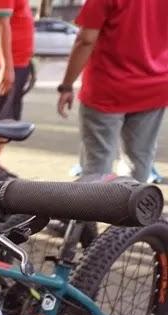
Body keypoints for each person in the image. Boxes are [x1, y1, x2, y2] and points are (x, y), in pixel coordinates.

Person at [57, 0, 168, 183]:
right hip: (154, 87)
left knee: (97, 165)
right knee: (139, 160)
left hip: (107, 89)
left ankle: (93, 210)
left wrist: (67, 85)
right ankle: (132, 208)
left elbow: (86, 40)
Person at [0, 0, 34, 167]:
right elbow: (0, 23)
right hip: (0, 64)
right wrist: (6, 65)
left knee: (8, 120)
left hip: (17, 63)